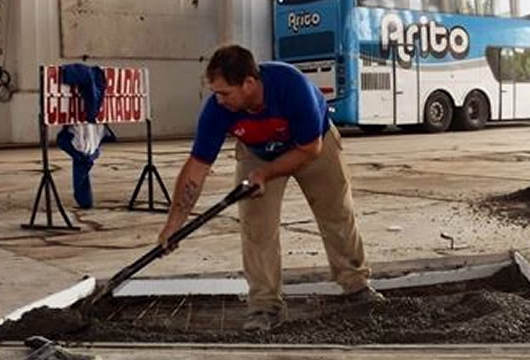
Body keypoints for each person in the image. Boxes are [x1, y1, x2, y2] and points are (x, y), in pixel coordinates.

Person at [158, 45, 383, 331]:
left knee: (336, 213)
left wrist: (266, 173)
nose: (219, 99)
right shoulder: (217, 109)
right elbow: (197, 167)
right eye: (216, 92)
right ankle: (265, 306)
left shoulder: (291, 87)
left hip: (313, 146)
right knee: (257, 227)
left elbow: (309, 149)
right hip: (257, 152)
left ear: (249, 83)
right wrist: (174, 224)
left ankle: (356, 285)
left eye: (225, 92)